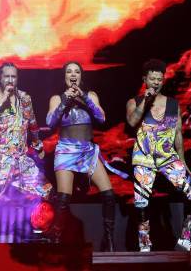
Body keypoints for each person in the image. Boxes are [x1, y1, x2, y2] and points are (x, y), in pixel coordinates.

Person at [46, 61, 127, 249]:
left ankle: (109, 241)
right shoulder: (57, 98)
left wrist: (82, 96)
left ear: (81, 76)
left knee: (108, 195)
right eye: (69, 72)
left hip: (88, 151)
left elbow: (101, 118)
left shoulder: (90, 95)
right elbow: (50, 122)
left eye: (76, 72)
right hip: (66, 150)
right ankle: (56, 241)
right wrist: (65, 100)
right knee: (63, 199)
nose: (73, 75)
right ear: (64, 76)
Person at [126, 59, 191, 252]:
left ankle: (186, 239)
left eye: (159, 79)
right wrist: (145, 102)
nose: (156, 82)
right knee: (142, 202)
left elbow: (178, 134)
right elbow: (132, 122)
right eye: (152, 79)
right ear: (145, 79)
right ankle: (144, 244)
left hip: (168, 156)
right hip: (144, 157)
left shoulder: (173, 104)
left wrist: (182, 162)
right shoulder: (134, 101)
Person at [0, 62, 52, 219]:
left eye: (13, 76)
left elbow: (32, 123)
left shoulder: (24, 98)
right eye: (6, 76)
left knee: (45, 190)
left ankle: (33, 226)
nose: (10, 80)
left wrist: (38, 145)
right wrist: (3, 99)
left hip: (20, 159)